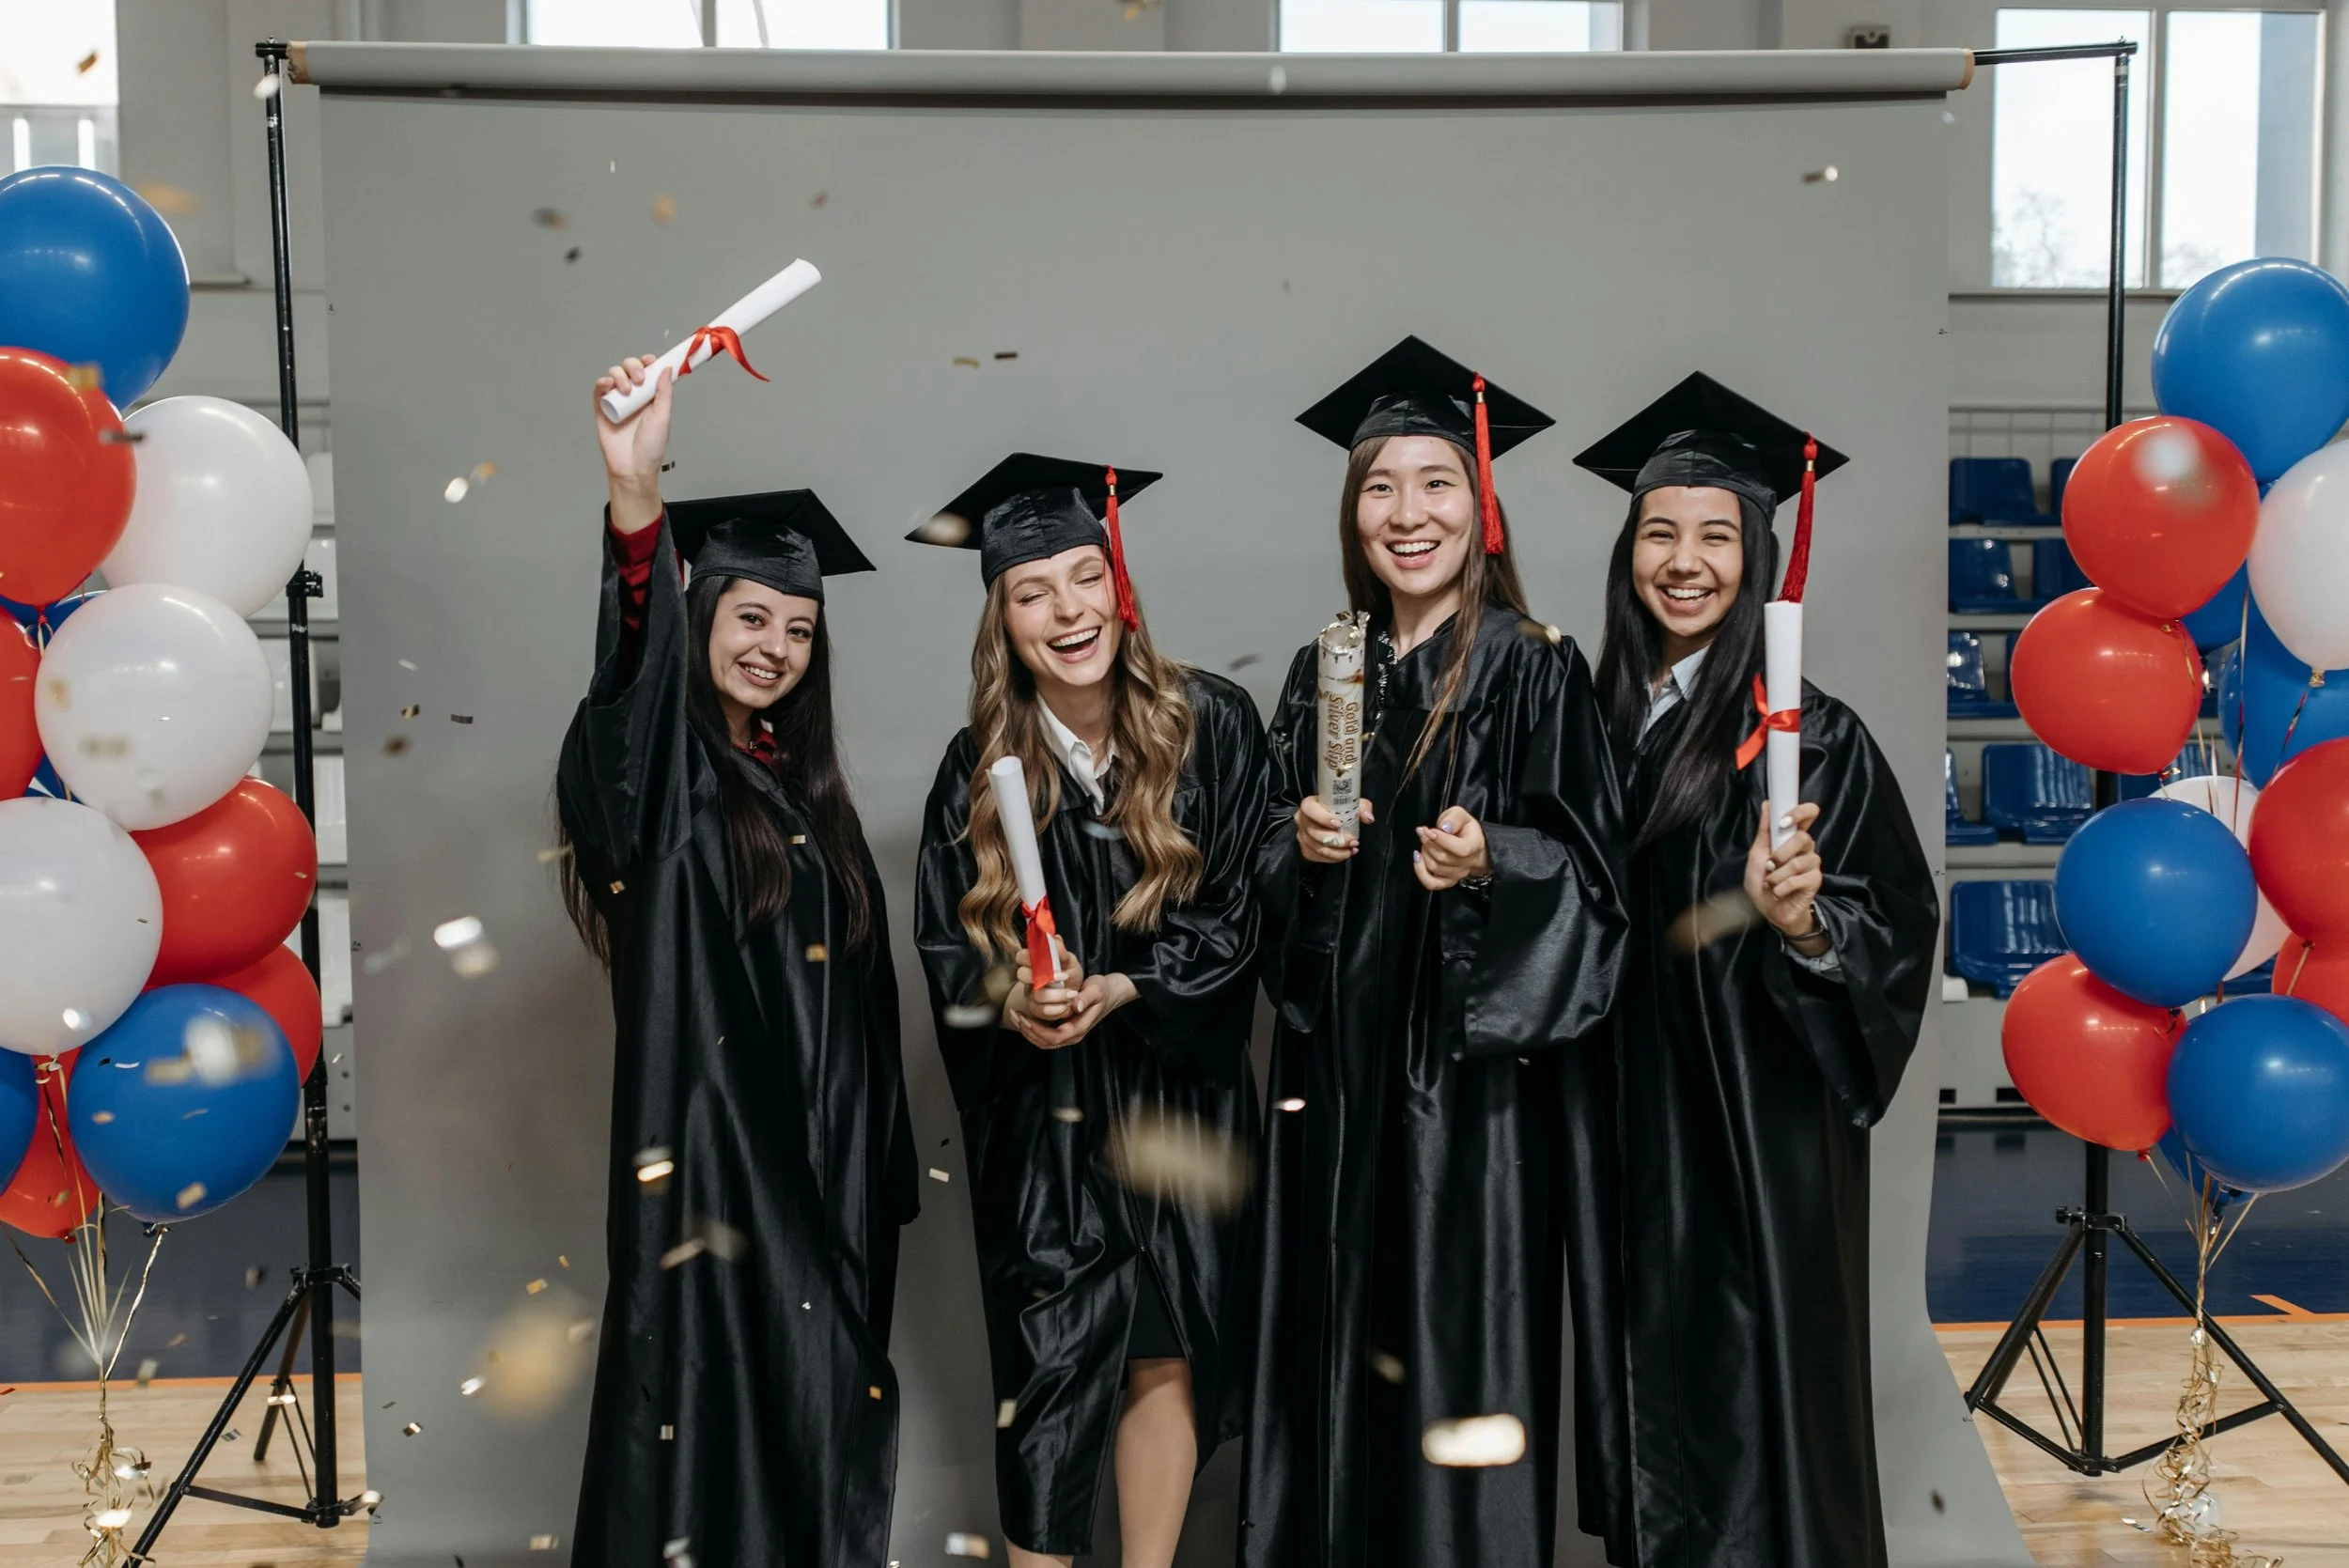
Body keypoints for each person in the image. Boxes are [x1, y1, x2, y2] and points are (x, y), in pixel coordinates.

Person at [1240, 337, 1629, 1568]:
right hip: (1338, 1091)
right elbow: (1256, 880)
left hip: (1474, 1110)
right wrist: (1292, 846)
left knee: (1465, 1352)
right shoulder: (1321, 670)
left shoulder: (1537, 667)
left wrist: (1494, 862)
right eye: (1379, 487)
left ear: (1483, 503)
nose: (1407, 514)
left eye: (1436, 483)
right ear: (1352, 510)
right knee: (1337, 1346)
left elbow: (1597, 885)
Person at [555, 356, 920, 1568]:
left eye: (799, 629)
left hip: (829, 1184)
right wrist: (636, 490)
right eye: (750, 617)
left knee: (816, 1431)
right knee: (712, 1434)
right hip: (716, 1178)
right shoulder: (664, 779)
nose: (774, 647)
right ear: (700, 617)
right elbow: (632, 686)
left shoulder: (799, 791)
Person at [1573, 372, 1940, 1568]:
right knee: (1649, 1393)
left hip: (1754, 1129)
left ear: (1761, 558)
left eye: (1716, 535)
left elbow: (1892, 914)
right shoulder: (1589, 720)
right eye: (1659, 532)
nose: (1684, 561)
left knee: (1759, 1395)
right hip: (1628, 1123)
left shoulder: (1808, 734)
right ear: (1630, 549)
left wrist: (1802, 925)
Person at [910, 454, 1270, 1568]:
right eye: (1032, 591)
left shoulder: (1212, 722)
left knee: (1164, 1352)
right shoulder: (975, 771)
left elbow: (1244, 911)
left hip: (1174, 1106)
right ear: (1001, 622)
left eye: (1085, 575)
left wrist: (1128, 985)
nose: (1068, 609)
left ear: (1119, 583)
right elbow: (945, 947)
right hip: (1049, 1122)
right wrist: (1013, 997)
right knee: (1053, 1367)